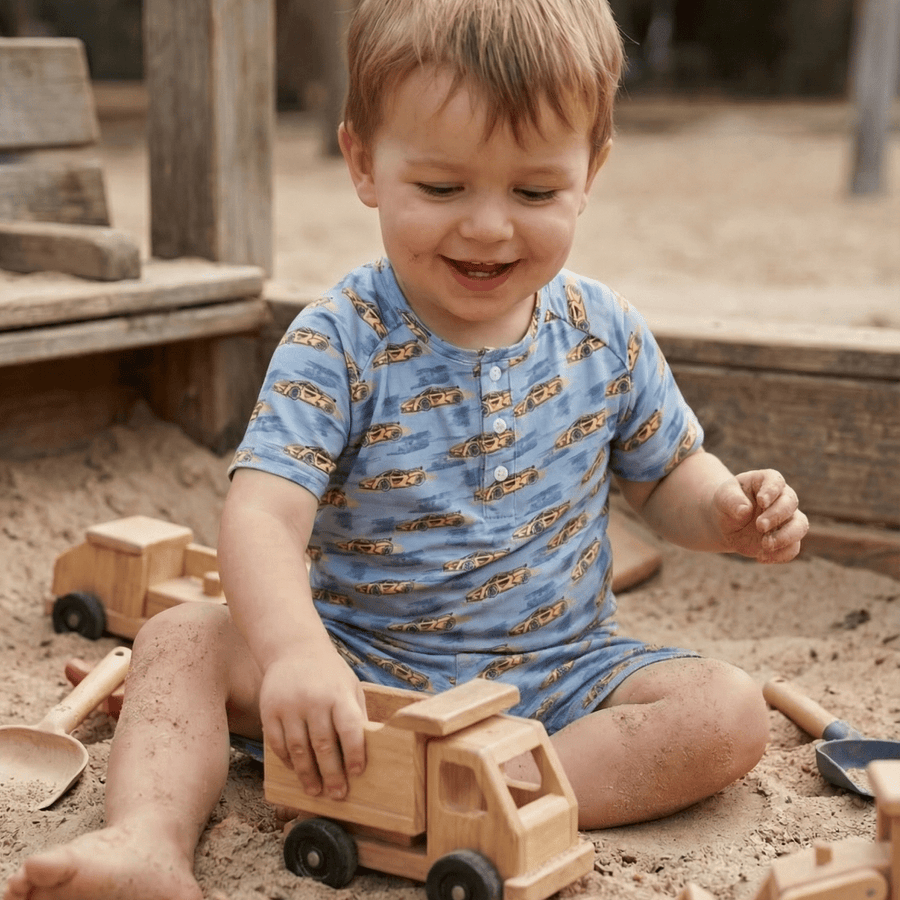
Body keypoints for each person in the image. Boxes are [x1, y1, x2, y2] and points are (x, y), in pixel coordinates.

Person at [3, 0, 809, 897]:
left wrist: (726, 511)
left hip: (564, 676)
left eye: (534, 193)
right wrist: (298, 655)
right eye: (442, 188)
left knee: (727, 710)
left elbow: (666, 479)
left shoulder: (606, 333)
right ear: (364, 164)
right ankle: (147, 841)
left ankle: (488, 797)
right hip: (357, 677)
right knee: (181, 638)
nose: (489, 227)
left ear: (591, 171)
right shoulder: (339, 341)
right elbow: (263, 518)